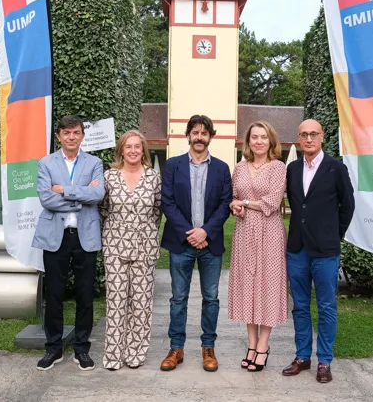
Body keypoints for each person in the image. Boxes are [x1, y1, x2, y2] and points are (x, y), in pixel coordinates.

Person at [282, 119, 355, 383]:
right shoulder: (291, 169)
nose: (309, 139)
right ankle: (302, 357)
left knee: (326, 307)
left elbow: (348, 206)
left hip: (325, 250)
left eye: (313, 134)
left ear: (322, 136)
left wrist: (334, 235)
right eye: (304, 135)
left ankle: (324, 361)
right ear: (299, 139)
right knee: (300, 306)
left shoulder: (336, 168)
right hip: (297, 249)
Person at [159, 114, 232, 373]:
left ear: (211, 136)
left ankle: (208, 348)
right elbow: (167, 202)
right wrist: (191, 232)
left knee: (210, 298)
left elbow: (225, 205)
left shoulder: (222, 168)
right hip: (181, 242)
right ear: (187, 135)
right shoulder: (173, 165)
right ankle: (176, 348)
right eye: (195, 132)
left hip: (210, 244)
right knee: (178, 298)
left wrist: (205, 233)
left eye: (204, 133)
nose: (199, 137)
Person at [33, 115, 105, 372]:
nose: (72, 137)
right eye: (67, 133)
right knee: (54, 294)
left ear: (82, 136)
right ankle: (53, 348)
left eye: (76, 133)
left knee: (85, 295)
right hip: (56, 237)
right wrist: (81, 194)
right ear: (59, 136)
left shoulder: (95, 162)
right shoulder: (46, 163)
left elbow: (98, 194)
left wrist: (63, 189)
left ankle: (82, 348)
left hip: (85, 236)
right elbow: (46, 199)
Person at [99, 130, 162, 371]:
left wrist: (143, 232)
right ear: (121, 150)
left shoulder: (154, 177)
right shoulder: (109, 177)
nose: (133, 150)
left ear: (143, 150)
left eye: (138, 146)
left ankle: (136, 352)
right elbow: (103, 209)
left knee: (141, 303)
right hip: (115, 246)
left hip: (145, 247)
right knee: (115, 301)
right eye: (128, 147)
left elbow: (157, 210)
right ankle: (113, 355)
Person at [228, 121, 288, 372]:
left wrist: (245, 201)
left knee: (267, 286)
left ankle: (263, 345)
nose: (259, 142)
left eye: (264, 137)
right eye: (254, 137)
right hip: (244, 233)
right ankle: (251, 344)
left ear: (271, 141)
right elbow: (234, 197)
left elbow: (272, 202)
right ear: (248, 141)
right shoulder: (240, 167)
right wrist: (235, 204)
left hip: (270, 233)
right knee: (248, 287)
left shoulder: (278, 167)